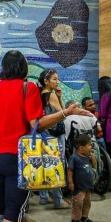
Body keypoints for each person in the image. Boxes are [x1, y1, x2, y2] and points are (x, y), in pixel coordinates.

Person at [0, 50, 91, 222]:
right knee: (14, 206)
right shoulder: (28, 88)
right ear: (23, 67)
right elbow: (37, 123)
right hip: (18, 158)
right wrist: (66, 113)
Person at [37, 69, 70, 209]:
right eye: (54, 79)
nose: (57, 82)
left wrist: (59, 96)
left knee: (45, 164)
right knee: (57, 164)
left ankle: (43, 197)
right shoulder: (51, 95)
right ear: (46, 81)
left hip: (44, 131)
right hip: (56, 133)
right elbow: (63, 114)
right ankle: (58, 199)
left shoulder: (40, 94)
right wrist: (60, 98)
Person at [68, 134, 95, 222]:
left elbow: (94, 166)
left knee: (87, 203)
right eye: (89, 145)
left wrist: (93, 157)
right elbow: (70, 170)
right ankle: (75, 218)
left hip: (88, 185)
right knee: (78, 203)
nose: (90, 147)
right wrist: (70, 182)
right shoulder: (74, 158)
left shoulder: (87, 157)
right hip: (79, 186)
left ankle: (84, 216)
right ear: (81, 148)